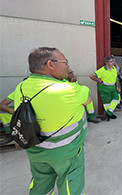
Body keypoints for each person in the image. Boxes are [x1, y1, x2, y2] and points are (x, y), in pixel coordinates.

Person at [12, 47, 91, 194]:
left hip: (36, 149)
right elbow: (87, 99)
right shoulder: (68, 89)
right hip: (66, 151)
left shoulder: (21, 87)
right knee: (71, 183)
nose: (68, 66)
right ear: (50, 64)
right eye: (65, 62)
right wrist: (71, 82)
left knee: (41, 183)